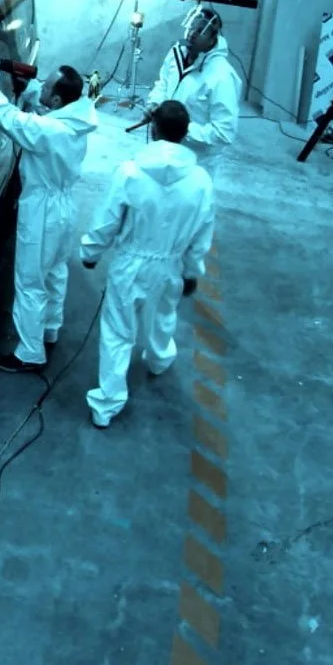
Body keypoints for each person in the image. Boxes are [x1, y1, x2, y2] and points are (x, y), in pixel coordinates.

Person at [79, 100, 216, 429]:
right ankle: (158, 358)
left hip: (131, 262)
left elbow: (108, 220)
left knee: (118, 329)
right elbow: (202, 230)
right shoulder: (201, 181)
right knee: (163, 315)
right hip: (170, 263)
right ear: (185, 135)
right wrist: (192, 270)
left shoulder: (130, 172)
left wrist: (90, 252)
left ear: (153, 129)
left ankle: (108, 402)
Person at [0, 49, 100, 372]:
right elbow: (44, 110)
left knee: (29, 280)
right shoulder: (77, 119)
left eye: (48, 86)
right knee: (55, 270)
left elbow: (6, 116)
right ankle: (50, 328)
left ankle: (29, 352)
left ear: (56, 101)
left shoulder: (48, 131)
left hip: (42, 210)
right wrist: (27, 88)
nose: (42, 85)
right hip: (65, 206)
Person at [145, 5, 242, 173]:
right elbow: (164, 83)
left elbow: (224, 132)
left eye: (200, 31)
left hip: (195, 162)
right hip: (164, 148)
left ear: (213, 40)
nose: (192, 34)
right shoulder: (177, 52)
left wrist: (179, 128)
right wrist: (155, 104)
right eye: (191, 27)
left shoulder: (222, 76)